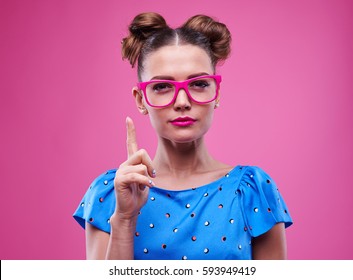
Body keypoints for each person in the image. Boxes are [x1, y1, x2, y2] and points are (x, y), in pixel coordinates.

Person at [73, 12, 293, 260]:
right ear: (141, 99)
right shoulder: (111, 193)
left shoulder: (252, 190)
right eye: (162, 87)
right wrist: (125, 219)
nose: (181, 102)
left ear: (217, 92)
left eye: (198, 84)